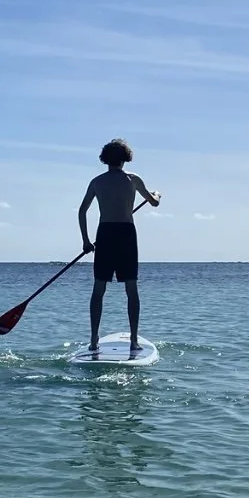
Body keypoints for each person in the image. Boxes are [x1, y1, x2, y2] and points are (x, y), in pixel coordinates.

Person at [78, 139, 161, 355]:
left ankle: (94, 339)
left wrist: (86, 241)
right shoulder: (133, 180)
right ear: (125, 158)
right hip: (125, 234)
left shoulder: (97, 181)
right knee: (131, 289)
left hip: (104, 233)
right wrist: (157, 195)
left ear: (106, 159)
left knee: (99, 289)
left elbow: (82, 211)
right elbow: (154, 203)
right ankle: (133, 340)